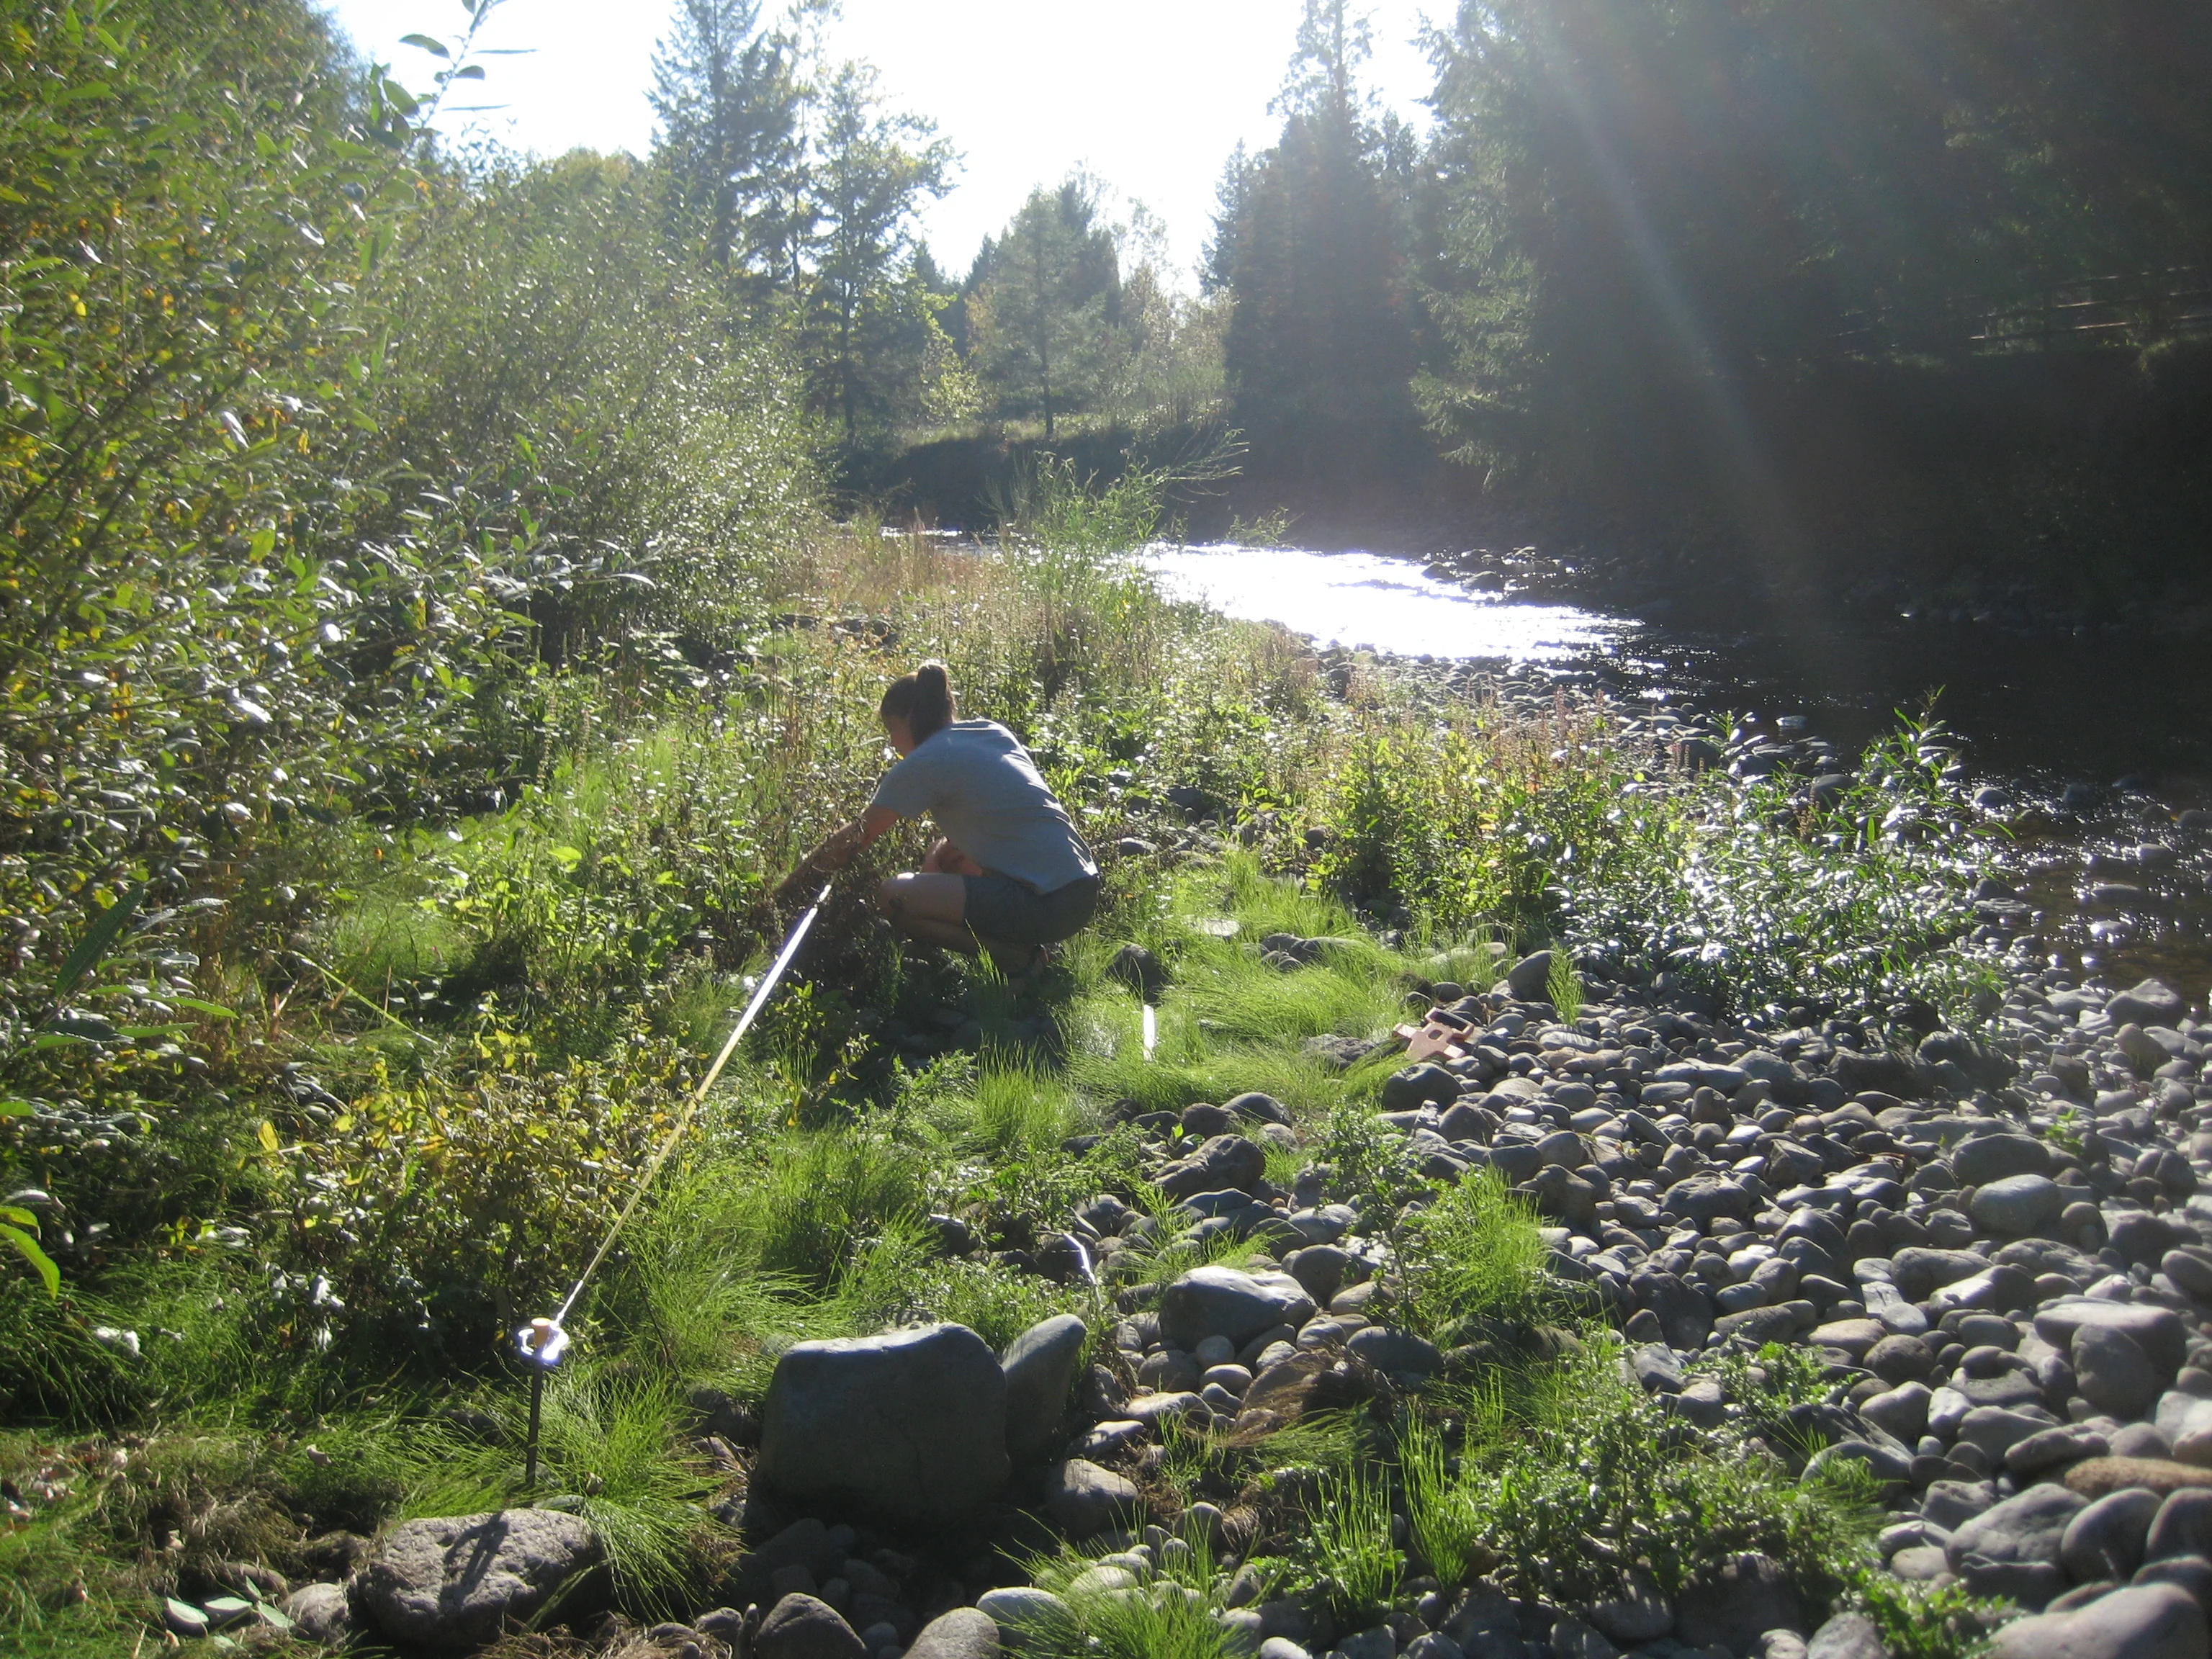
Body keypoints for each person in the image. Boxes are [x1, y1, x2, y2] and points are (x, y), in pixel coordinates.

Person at [775, 661, 1100, 976]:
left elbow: (856, 838)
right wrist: (937, 854)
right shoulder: (990, 732)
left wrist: (784, 895)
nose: (892, 741)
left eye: (891, 729)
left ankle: (1016, 959)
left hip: (1047, 905)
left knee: (892, 897)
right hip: (1083, 891)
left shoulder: (925, 761)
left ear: (909, 717)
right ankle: (1020, 943)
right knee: (950, 855)